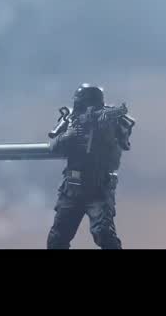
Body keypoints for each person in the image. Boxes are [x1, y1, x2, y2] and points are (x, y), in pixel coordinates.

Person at [46, 84, 134, 249]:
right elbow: (53, 147)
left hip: (99, 188)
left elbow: (124, 144)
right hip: (72, 188)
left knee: (104, 234)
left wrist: (107, 130)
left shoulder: (111, 119)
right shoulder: (71, 119)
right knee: (57, 238)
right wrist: (68, 136)